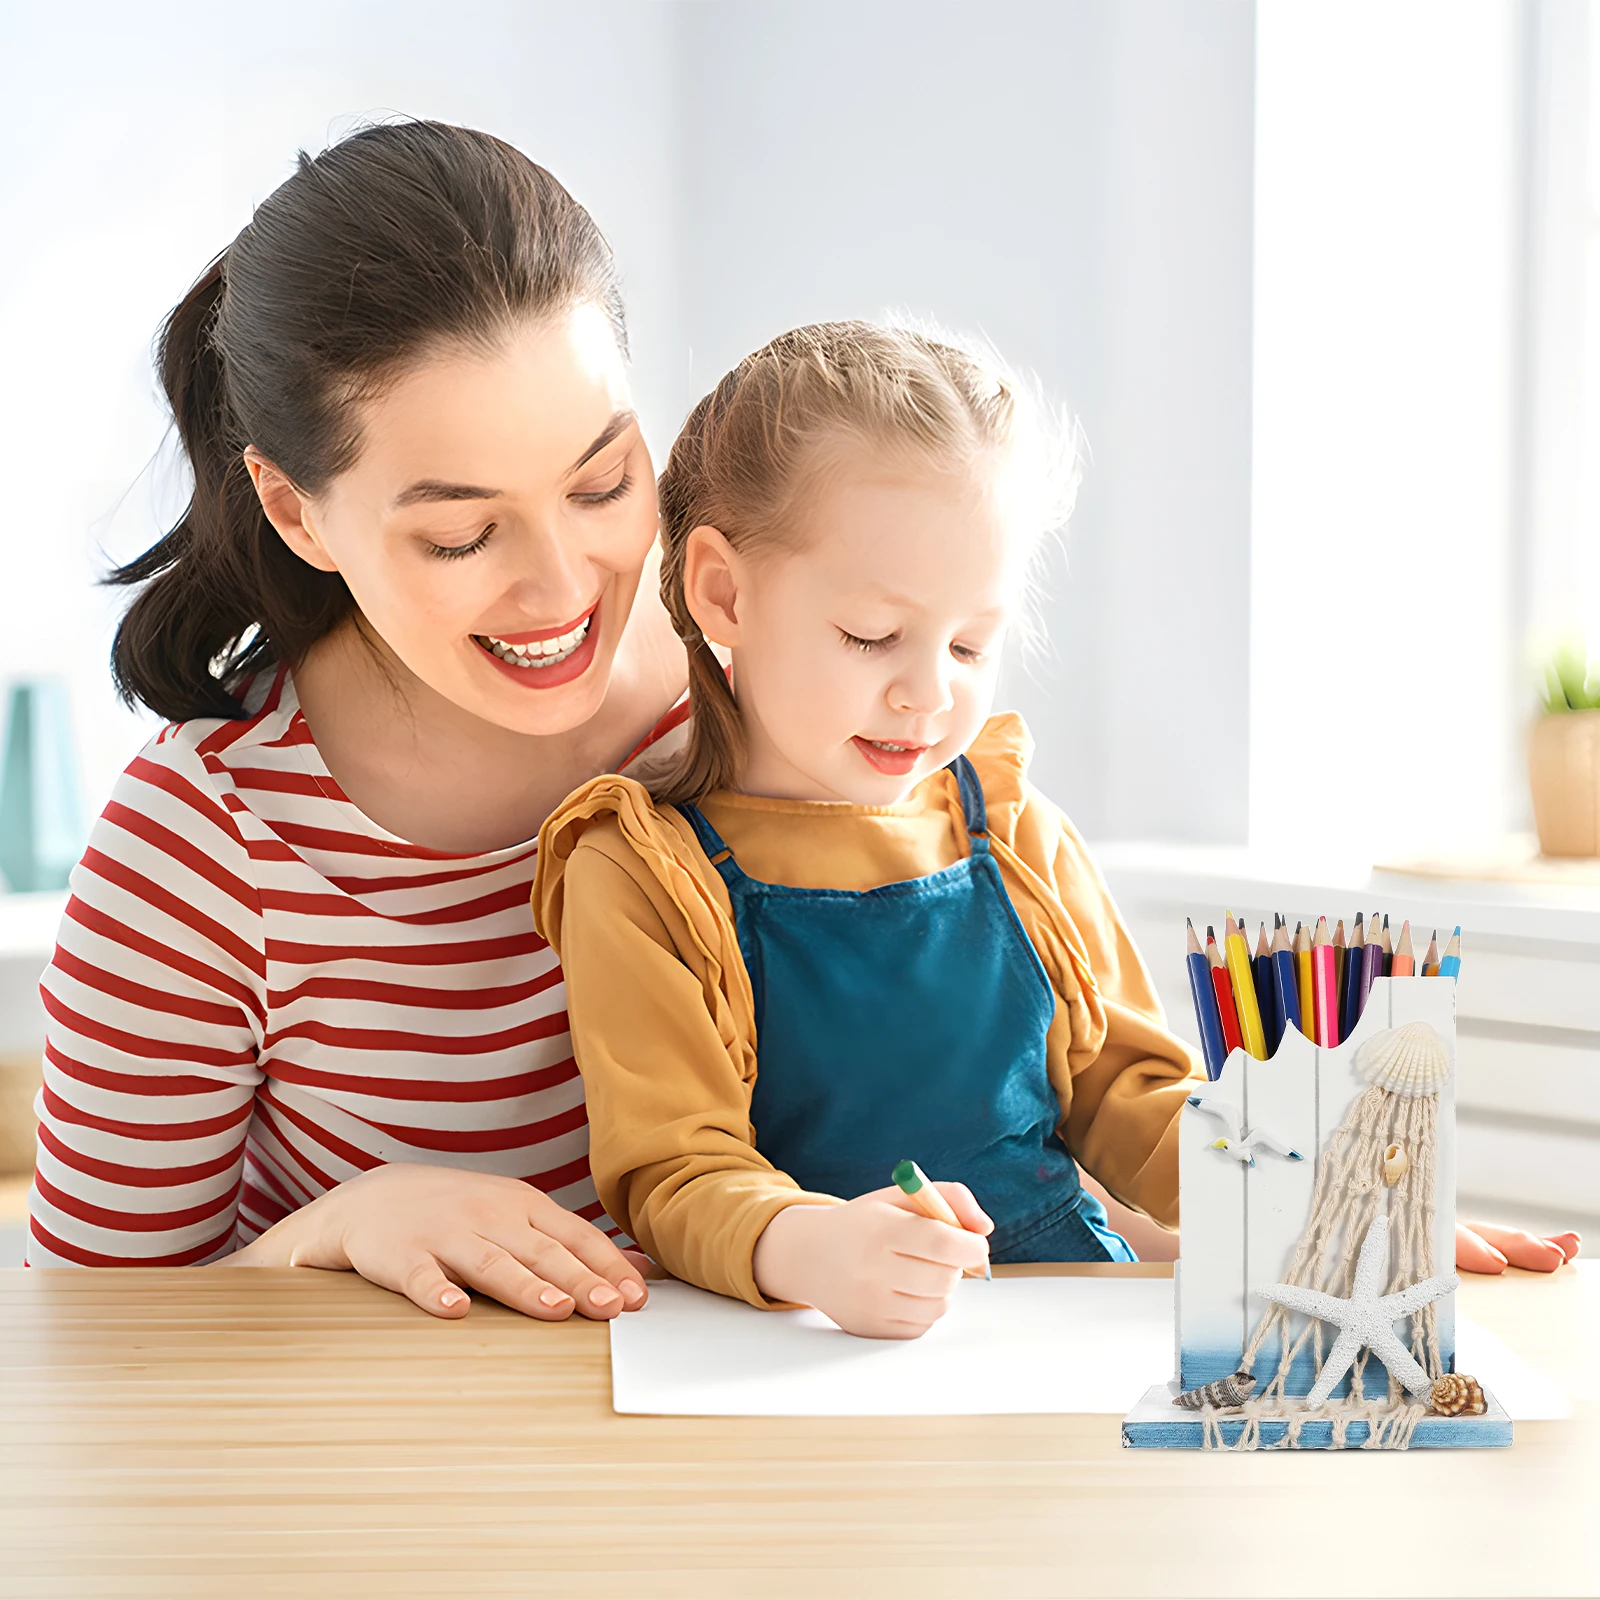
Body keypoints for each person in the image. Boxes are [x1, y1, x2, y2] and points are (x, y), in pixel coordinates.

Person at [535, 322, 1581, 1343]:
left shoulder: (1013, 825)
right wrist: (808, 1246)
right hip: (797, 1343)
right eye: (870, 635)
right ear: (723, 590)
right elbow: (673, 1168)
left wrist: (1329, 1204)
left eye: (968, 641)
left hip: (1060, 1329)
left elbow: (1134, 1095)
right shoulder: (636, 867)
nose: (926, 692)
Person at [26, 121, 689, 1324]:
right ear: (297, 513)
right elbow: (80, 1338)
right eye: (459, 533)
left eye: (601, 484)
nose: (561, 588)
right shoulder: (200, 850)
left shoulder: (757, 688)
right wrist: (332, 1231)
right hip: (372, 1488)